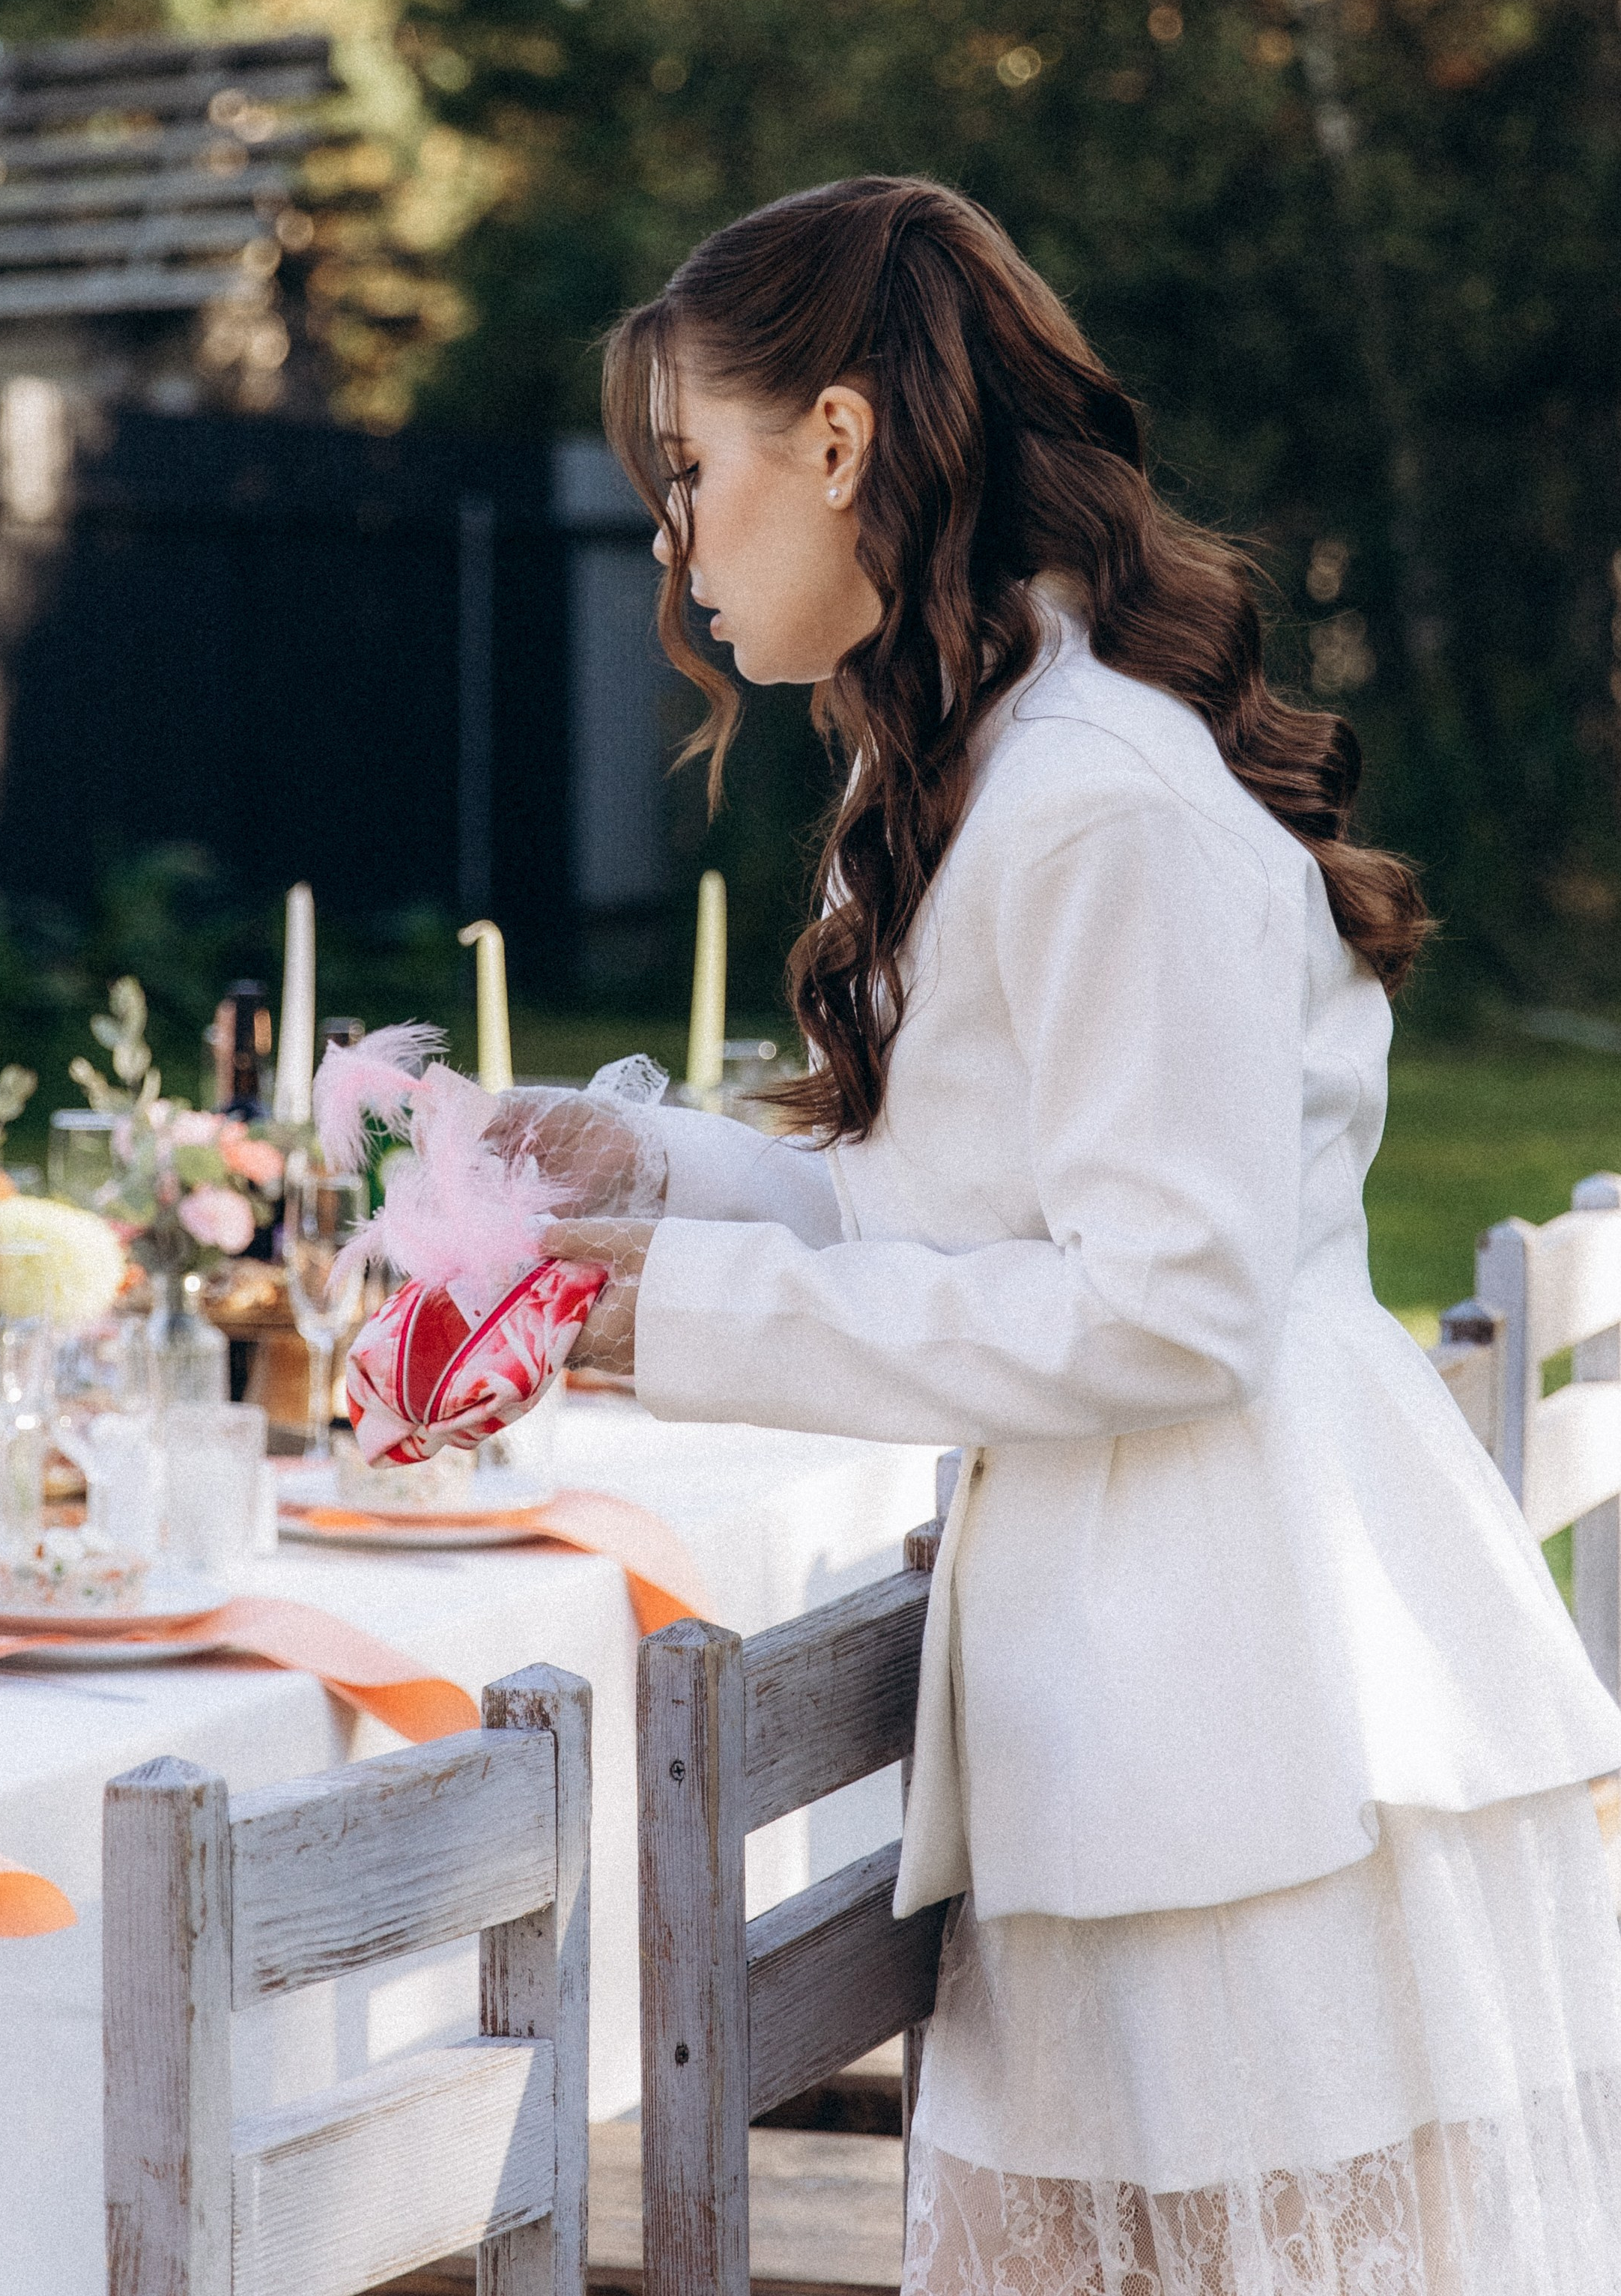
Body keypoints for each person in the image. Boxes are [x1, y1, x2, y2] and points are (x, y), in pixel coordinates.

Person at [523, 173, 1621, 2295]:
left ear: (835, 444)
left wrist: (674, 1316)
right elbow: (949, 1213)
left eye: (690, 470)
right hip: (1125, 1674)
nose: (673, 540)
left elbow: (1169, 1311)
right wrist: (637, 1179)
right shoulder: (976, 764)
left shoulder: (1099, 793)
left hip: (1242, 1705)